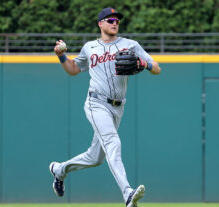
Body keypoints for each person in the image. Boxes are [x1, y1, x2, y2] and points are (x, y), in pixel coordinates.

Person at [49, 7, 161, 207]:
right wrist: (61, 56)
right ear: (100, 23)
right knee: (113, 143)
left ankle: (59, 170)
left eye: (117, 20)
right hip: (96, 103)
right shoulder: (89, 47)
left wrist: (144, 63)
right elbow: (73, 70)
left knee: (95, 157)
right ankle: (127, 194)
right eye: (110, 20)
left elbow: (157, 68)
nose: (115, 23)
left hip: (118, 107)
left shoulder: (130, 45)